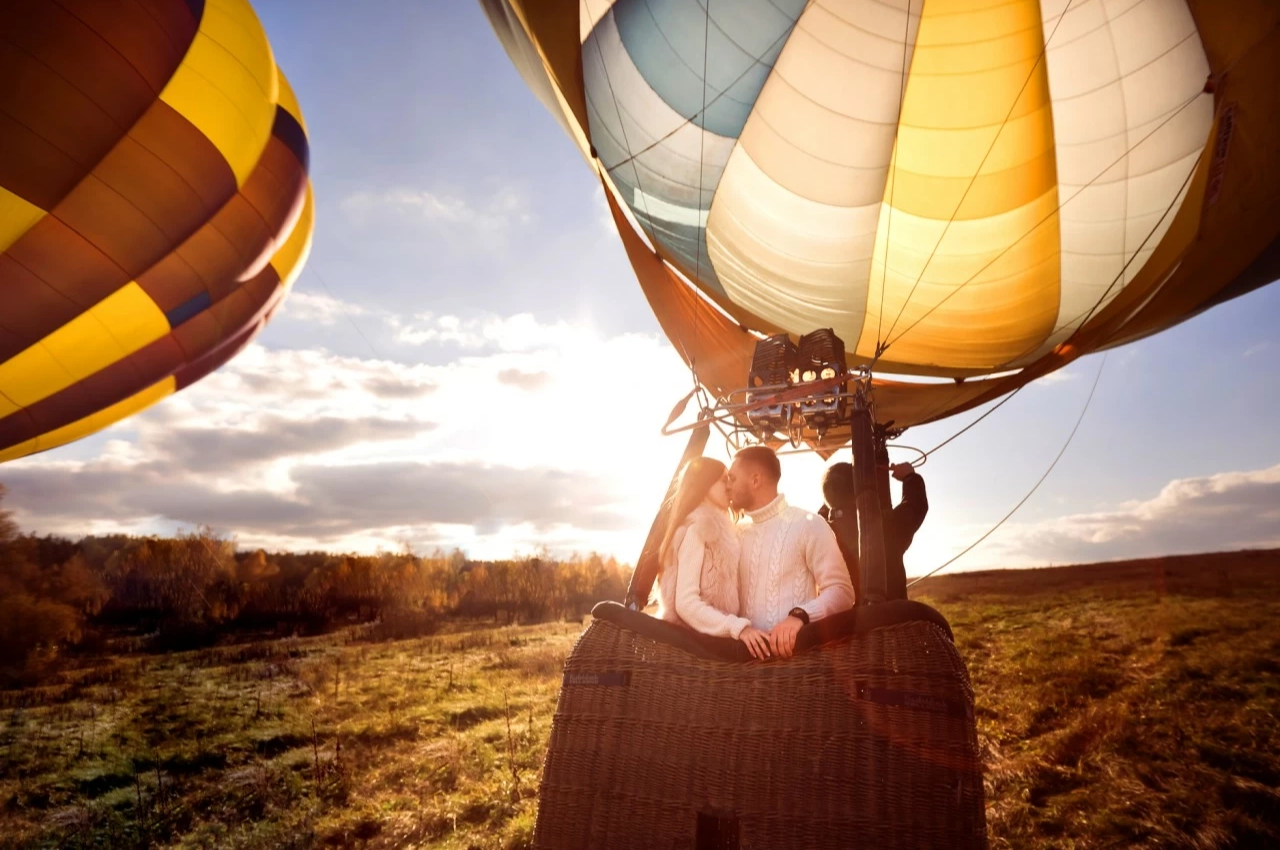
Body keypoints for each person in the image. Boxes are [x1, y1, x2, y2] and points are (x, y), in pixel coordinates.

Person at [725, 446, 855, 659]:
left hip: (799, 665)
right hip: (744, 667)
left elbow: (842, 591)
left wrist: (799, 616)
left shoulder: (809, 524)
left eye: (732, 478)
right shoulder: (733, 535)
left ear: (755, 480)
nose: (727, 486)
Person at [656, 457, 772, 660]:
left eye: (731, 480)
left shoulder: (726, 533)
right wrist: (738, 628)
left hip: (713, 646)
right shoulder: (697, 529)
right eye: (723, 480)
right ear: (704, 484)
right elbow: (686, 604)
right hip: (692, 651)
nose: (729, 486)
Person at [820, 461, 928, 601]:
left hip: (843, 616)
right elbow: (915, 506)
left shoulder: (821, 535)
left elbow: (828, 508)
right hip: (889, 614)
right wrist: (910, 477)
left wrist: (836, 488)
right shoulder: (885, 525)